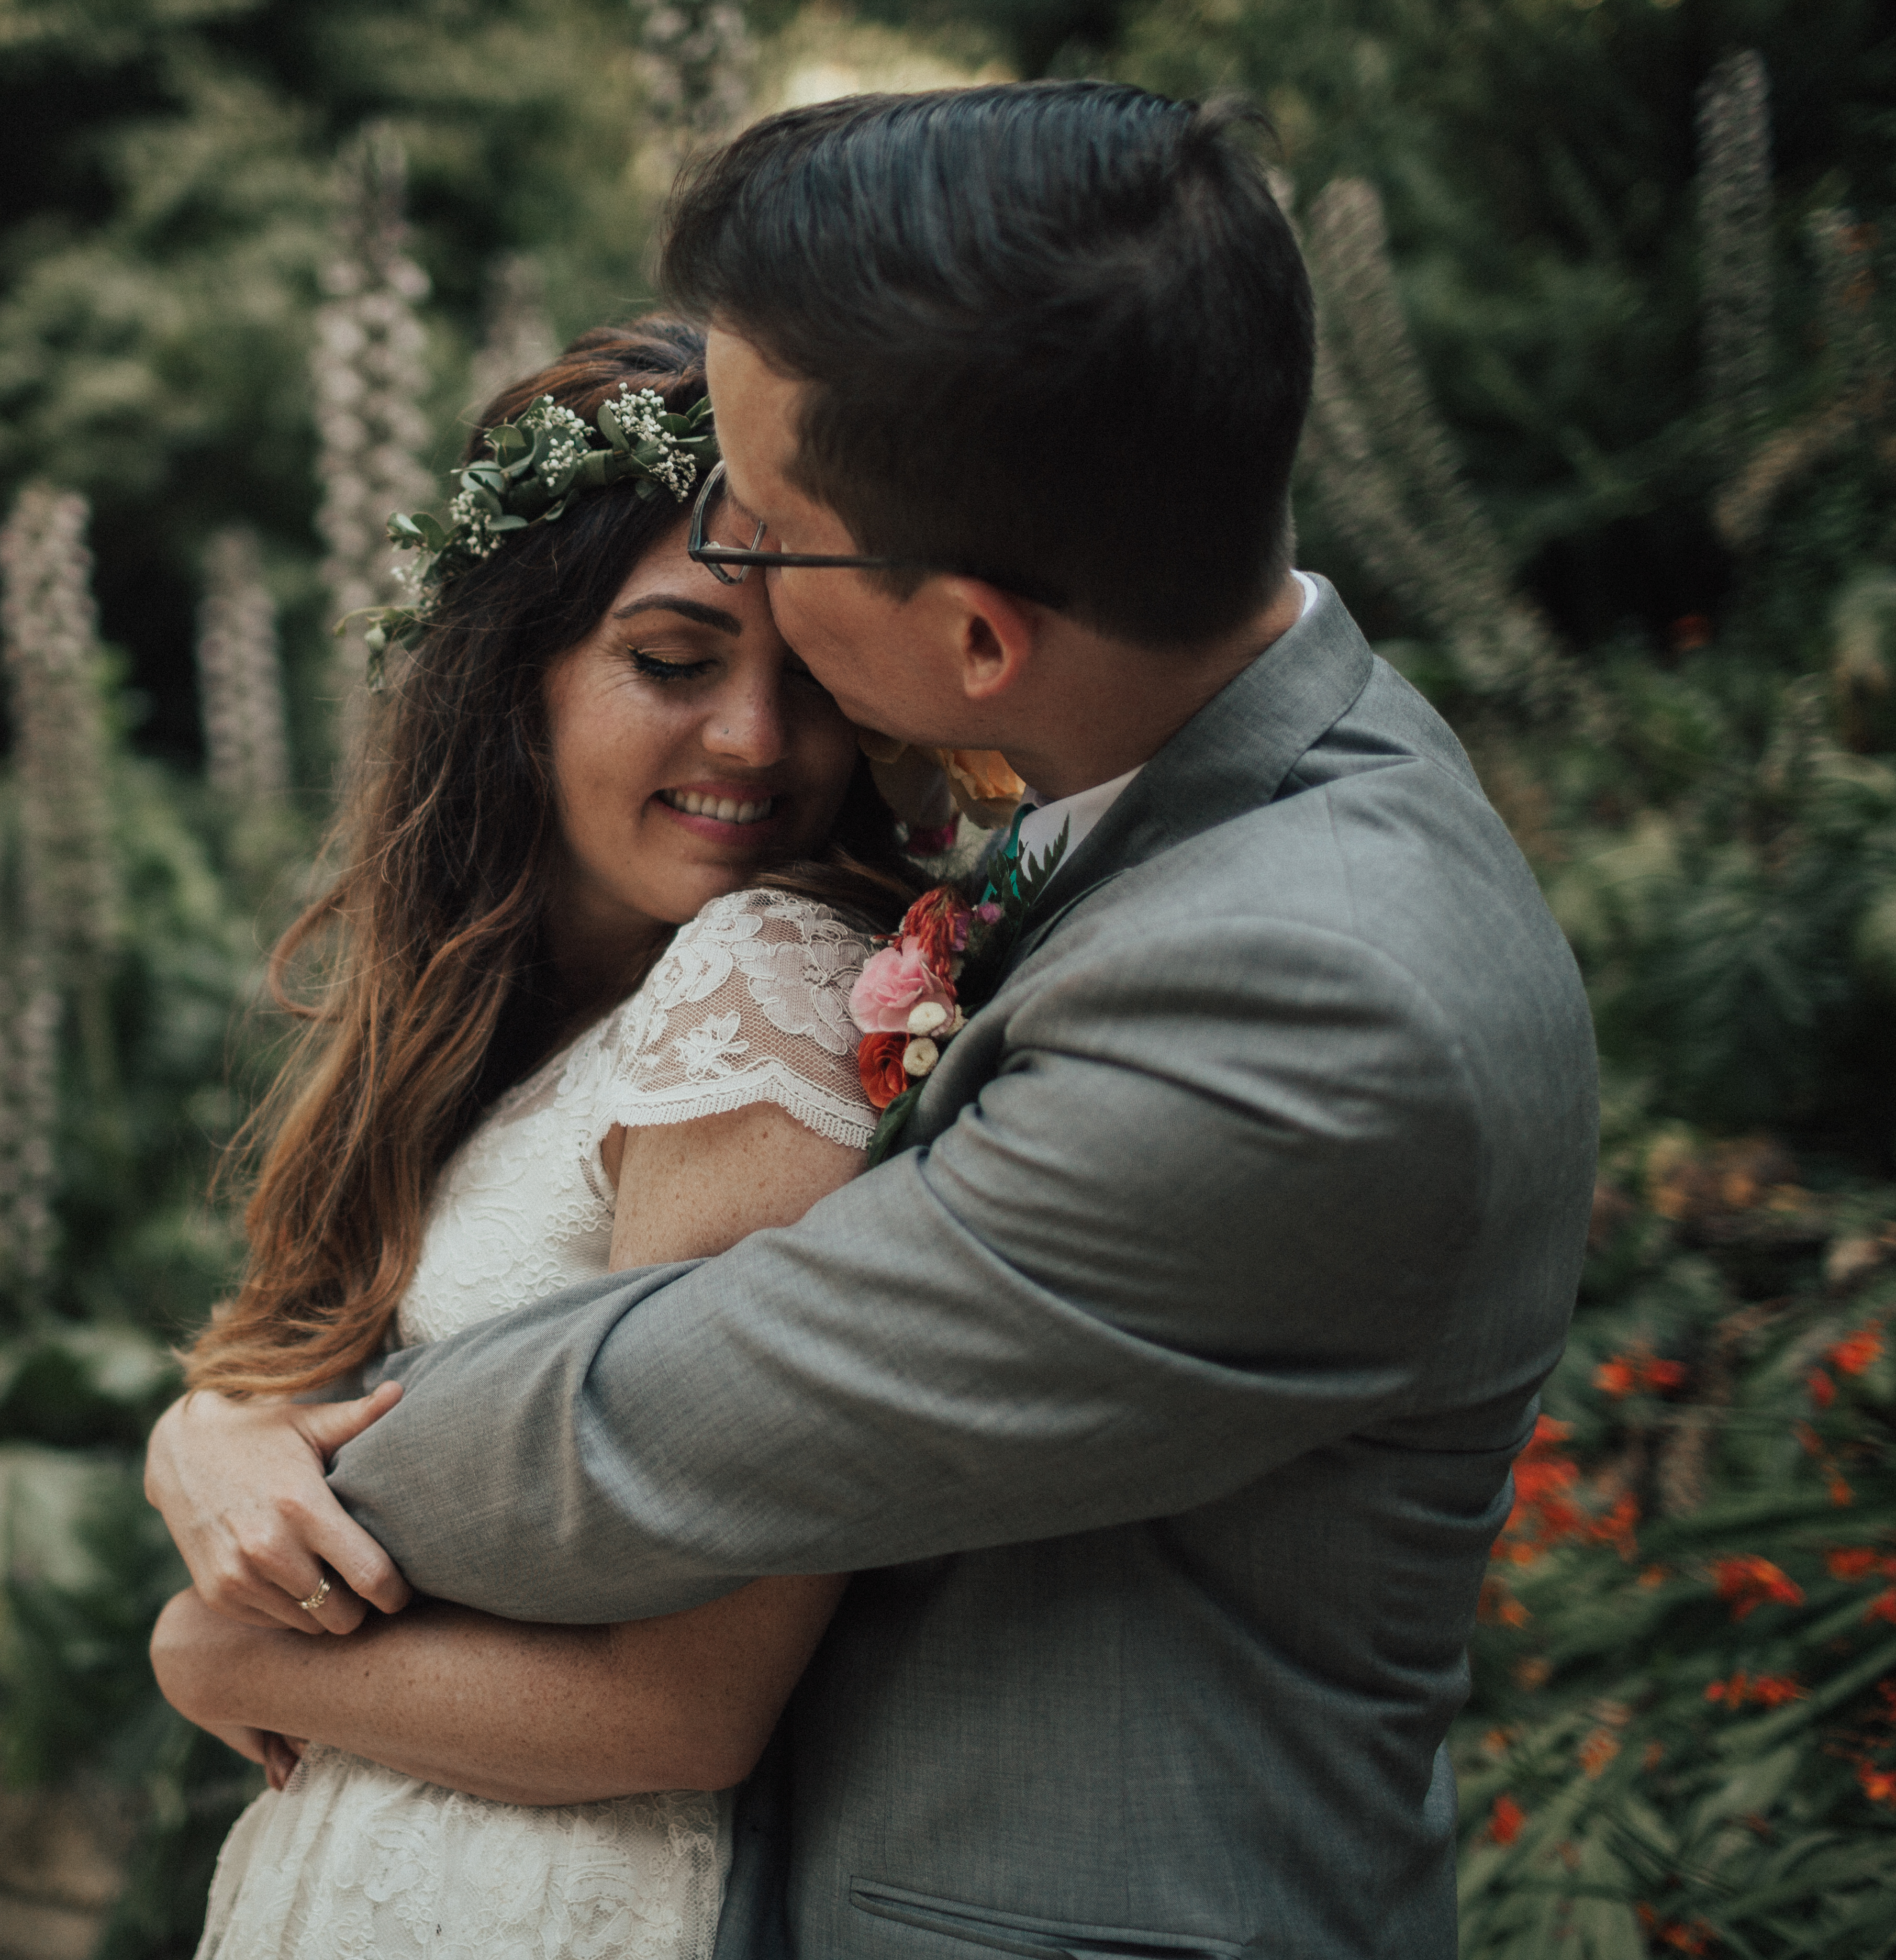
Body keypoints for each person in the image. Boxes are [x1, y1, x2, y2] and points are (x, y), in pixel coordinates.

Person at [148, 81, 1599, 1960]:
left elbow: (673, 1424)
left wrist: (249, 1509)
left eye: (767, 527)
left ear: (978, 639)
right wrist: (218, 1420)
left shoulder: (1308, 1006)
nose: (727, 542)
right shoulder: (1145, 810)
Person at [151, 316, 945, 1959]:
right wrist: (213, 1434)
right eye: (674, 661)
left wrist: (218, 1659)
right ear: (514, 674)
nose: (755, 742)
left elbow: (683, 1708)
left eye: (815, 679)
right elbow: (355, 1369)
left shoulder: (764, 982)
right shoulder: (514, 1020)